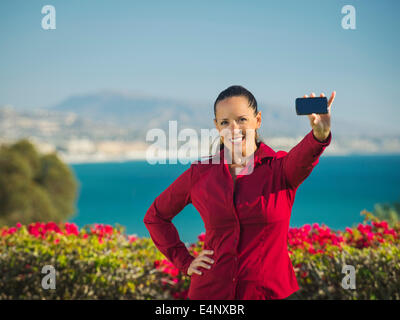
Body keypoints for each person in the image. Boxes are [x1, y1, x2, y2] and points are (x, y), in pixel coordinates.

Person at [143, 85, 335, 300]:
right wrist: (185, 262)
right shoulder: (200, 174)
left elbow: (305, 155)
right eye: (225, 122)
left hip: (268, 294)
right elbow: (156, 217)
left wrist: (320, 134)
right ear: (217, 127)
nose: (233, 129)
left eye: (241, 119)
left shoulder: (281, 169)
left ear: (258, 120)